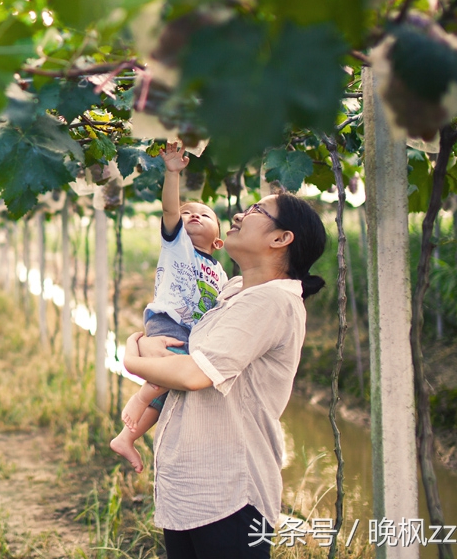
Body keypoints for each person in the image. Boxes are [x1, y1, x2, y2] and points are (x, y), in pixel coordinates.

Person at [123, 192, 327, 559]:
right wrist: (142, 339)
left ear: (281, 239)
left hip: (230, 492)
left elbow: (194, 373)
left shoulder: (273, 302)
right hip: (191, 486)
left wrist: (130, 356)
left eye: (256, 211)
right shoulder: (232, 290)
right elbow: (179, 340)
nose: (238, 214)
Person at [109, 141, 227, 473]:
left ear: (218, 242)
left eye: (204, 214)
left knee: (169, 389)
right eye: (189, 212)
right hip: (168, 320)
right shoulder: (178, 246)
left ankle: (126, 438)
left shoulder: (219, 270)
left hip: (192, 332)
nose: (193, 215)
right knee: (166, 375)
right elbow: (170, 211)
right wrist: (172, 173)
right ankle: (139, 397)